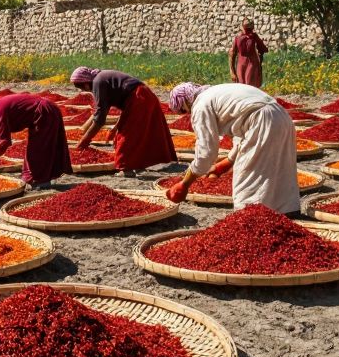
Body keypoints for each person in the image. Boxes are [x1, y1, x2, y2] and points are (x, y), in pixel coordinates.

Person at [164, 82, 299, 213]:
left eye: (183, 110)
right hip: (282, 117)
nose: (187, 114)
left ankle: (249, 217)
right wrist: (223, 165)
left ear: (186, 102)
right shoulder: (217, 91)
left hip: (261, 120)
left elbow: (206, 150)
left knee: (247, 180)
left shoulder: (200, 105)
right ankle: (286, 212)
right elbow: (242, 136)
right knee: (280, 168)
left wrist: (185, 184)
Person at [71, 66, 176, 176]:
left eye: (81, 87)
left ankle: (126, 169)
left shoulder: (98, 82)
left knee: (127, 136)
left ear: (85, 82)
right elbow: (125, 106)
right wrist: (116, 127)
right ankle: (138, 164)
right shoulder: (101, 78)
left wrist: (85, 140)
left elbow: (100, 117)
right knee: (139, 133)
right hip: (144, 96)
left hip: (139, 99)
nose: (83, 90)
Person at [0, 95, 72, 189]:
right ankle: (38, 180)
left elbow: (4, 143)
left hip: (44, 111)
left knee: (39, 148)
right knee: (39, 146)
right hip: (44, 110)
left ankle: (40, 182)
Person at [229, 19, 269, 88]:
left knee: (250, 86)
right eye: (247, 28)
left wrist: (260, 61)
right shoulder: (238, 38)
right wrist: (232, 72)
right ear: (243, 27)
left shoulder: (254, 36)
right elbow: (231, 55)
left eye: (249, 29)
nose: (248, 31)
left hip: (252, 64)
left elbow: (262, 48)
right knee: (241, 86)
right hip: (241, 65)